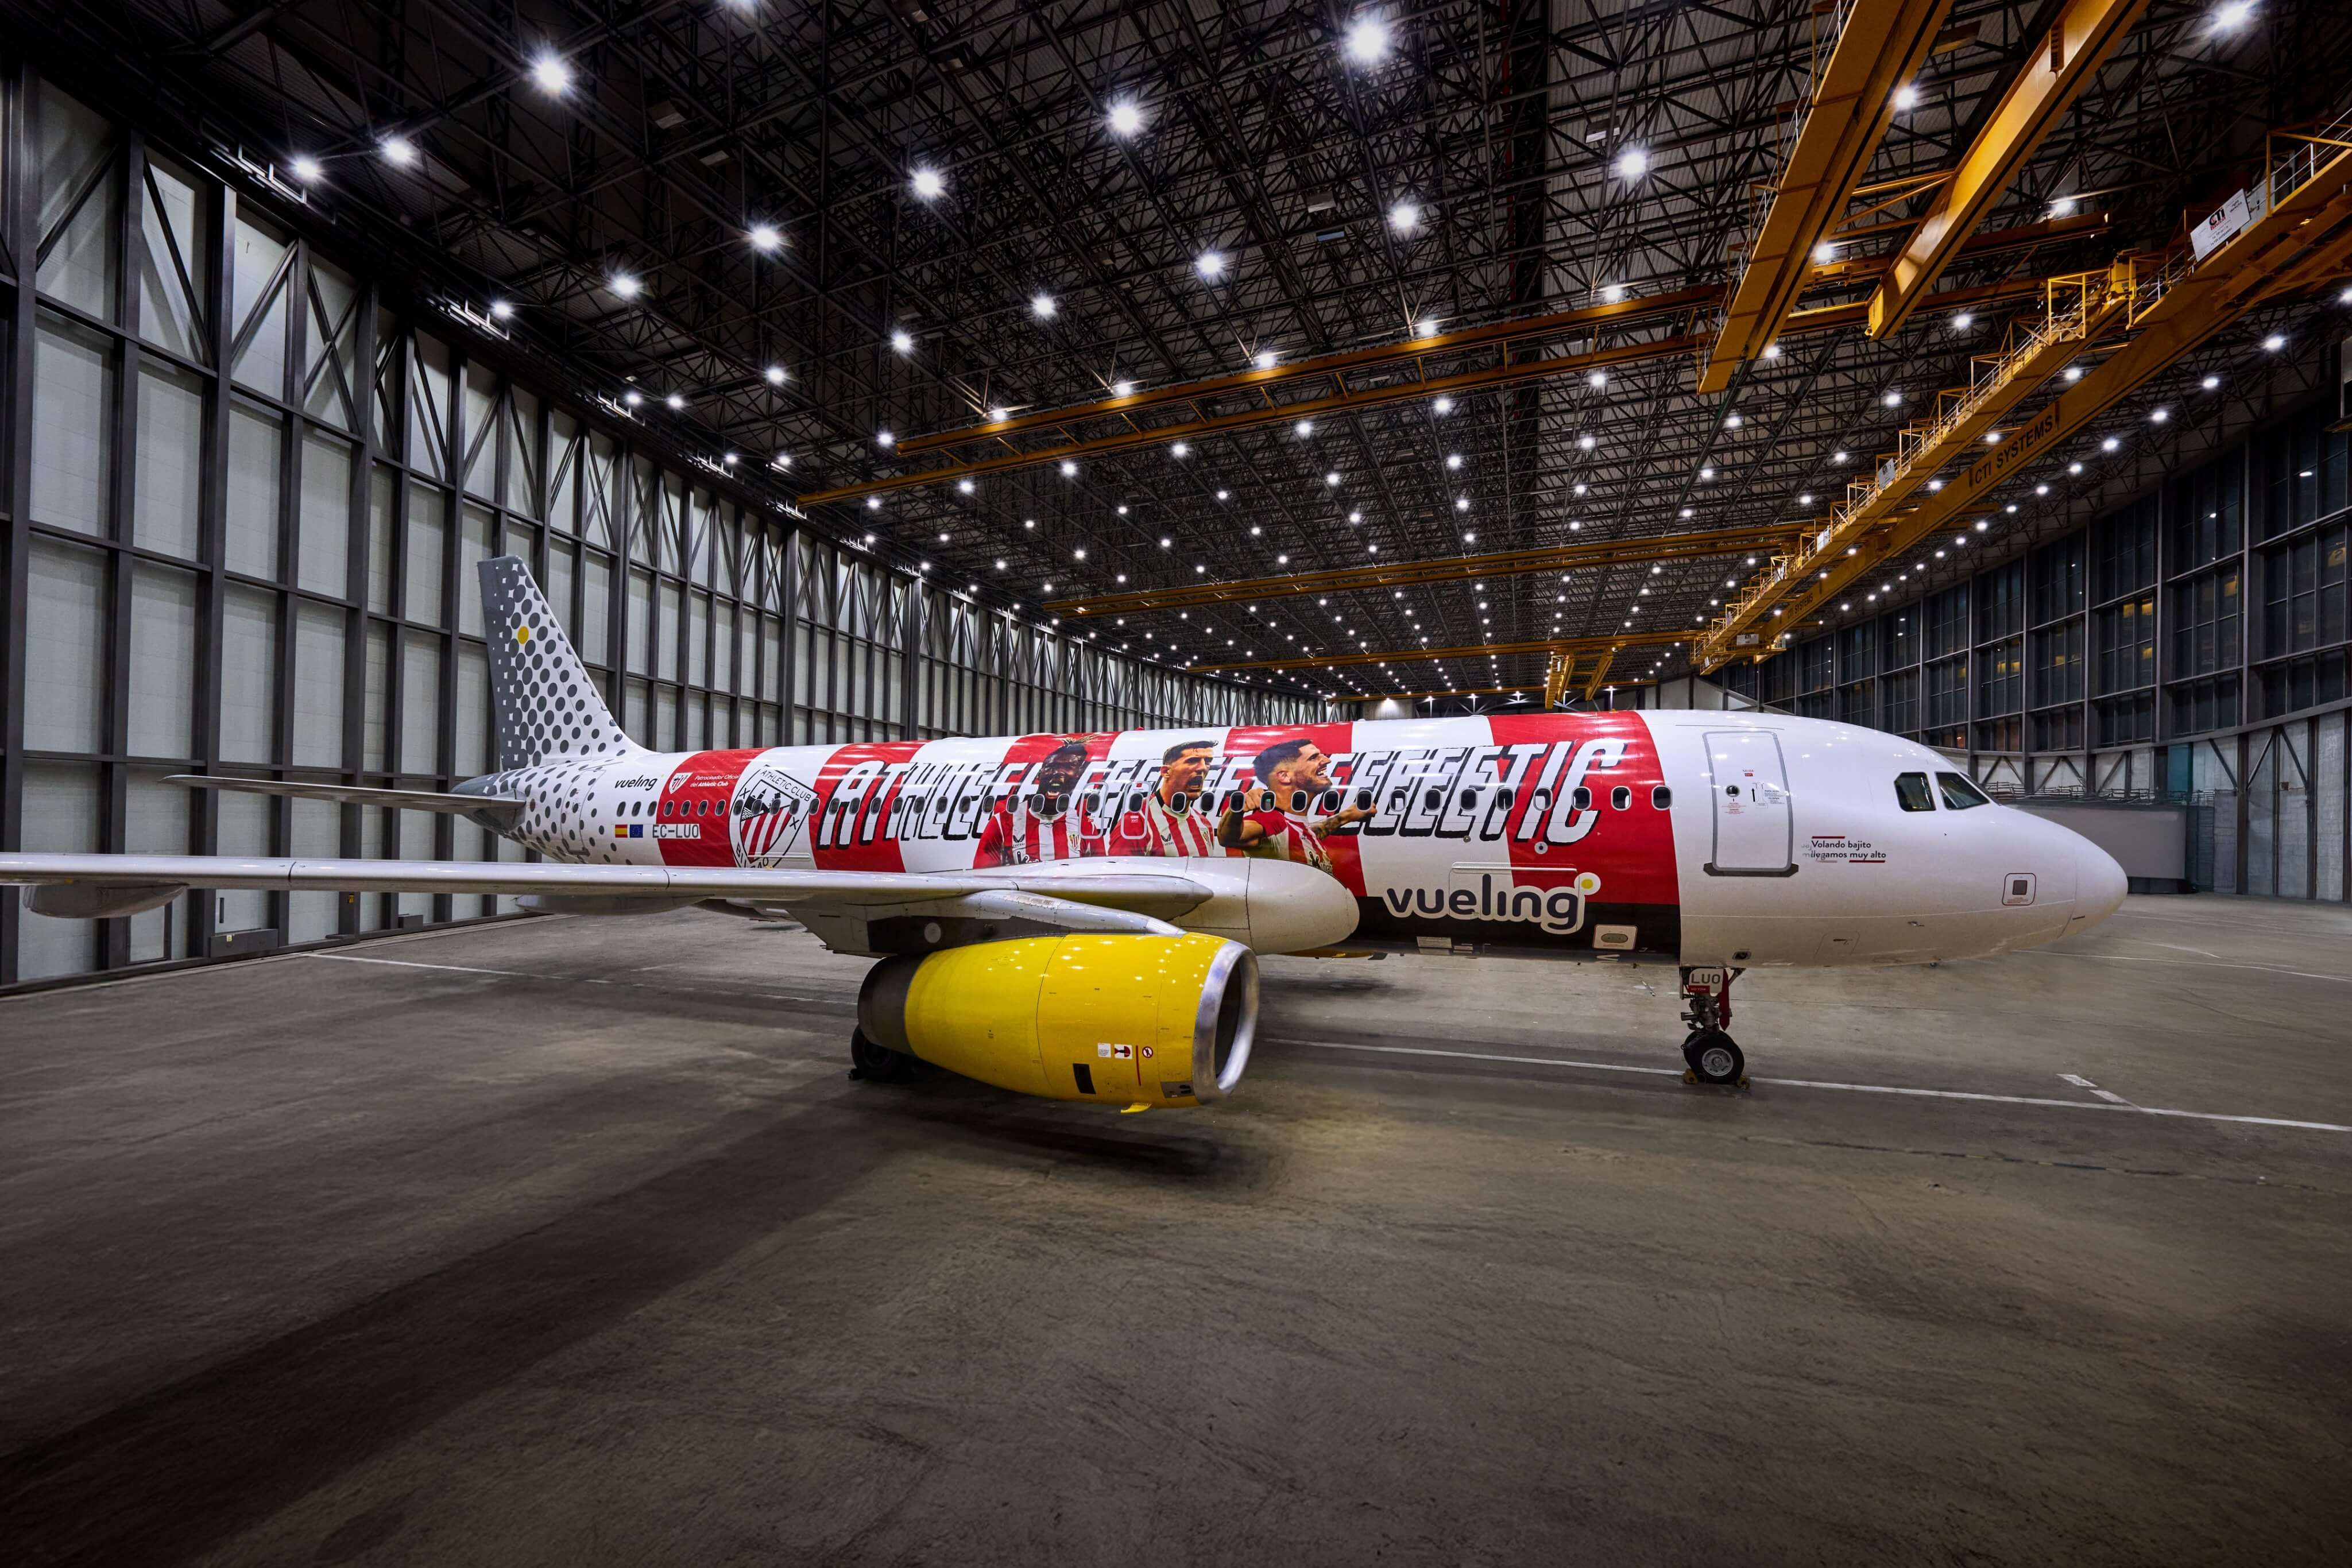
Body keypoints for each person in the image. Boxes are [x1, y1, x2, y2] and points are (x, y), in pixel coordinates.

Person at [1217, 736, 1372, 873]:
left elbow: (1306, 834)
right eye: (1314, 758)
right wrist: (1237, 810)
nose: (1326, 761)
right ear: (1284, 776)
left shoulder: (1291, 827)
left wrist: (1348, 815)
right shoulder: (1272, 820)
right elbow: (1229, 839)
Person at [974, 740, 1097, 865]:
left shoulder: (1084, 826)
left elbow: (1102, 872)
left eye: (1068, 767)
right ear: (1039, 774)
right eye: (1051, 767)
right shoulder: (1003, 823)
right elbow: (982, 877)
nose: (1057, 773)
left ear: (1077, 776)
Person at [1103, 739, 1223, 857]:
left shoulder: (1204, 825)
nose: (1203, 768)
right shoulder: (1137, 823)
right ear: (1166, 772)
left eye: (1207, 761)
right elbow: (1120, 873)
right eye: (1192, 761)